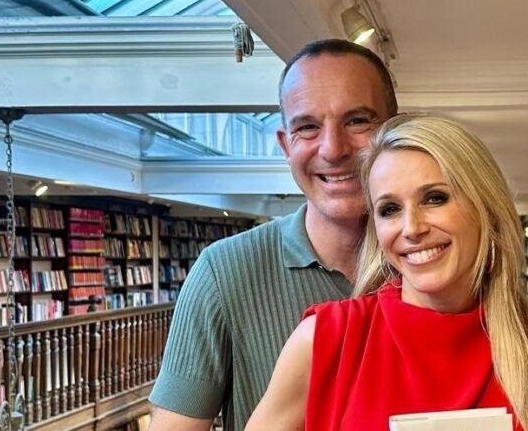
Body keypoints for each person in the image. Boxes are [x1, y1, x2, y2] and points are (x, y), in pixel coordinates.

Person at [245, 115, 528, 431]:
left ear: (485, 208)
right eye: (389, 209)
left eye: (435, 198)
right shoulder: (325, 340)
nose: (412, 228)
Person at [147, 39, 398, 431]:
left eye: (357, 121)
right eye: (308, 127)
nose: (333, 149)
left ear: (396, 132)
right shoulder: (224, 272)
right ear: (285, 145)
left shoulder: (438, 268)